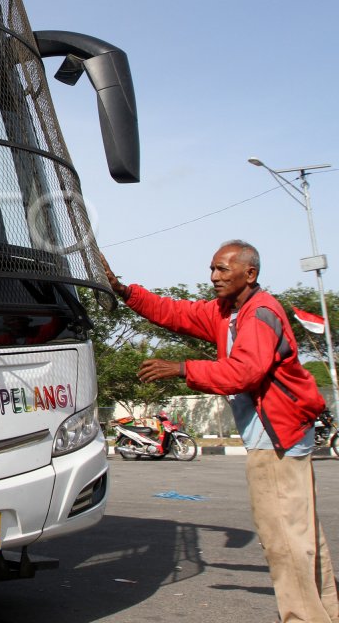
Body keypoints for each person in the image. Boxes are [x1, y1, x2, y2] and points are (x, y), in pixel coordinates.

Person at [103, 240, 337, 623]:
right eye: (212, 269)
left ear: (250, 274)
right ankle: (326, 611)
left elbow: (245, 372)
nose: (213, 277)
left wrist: (182, 369)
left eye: (223, 270)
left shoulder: (259, 314)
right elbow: (177, 312)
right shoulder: (227, 312)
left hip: (276, 439)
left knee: (283, 539)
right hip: (280, 434)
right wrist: (126, 291)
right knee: (304, 533)